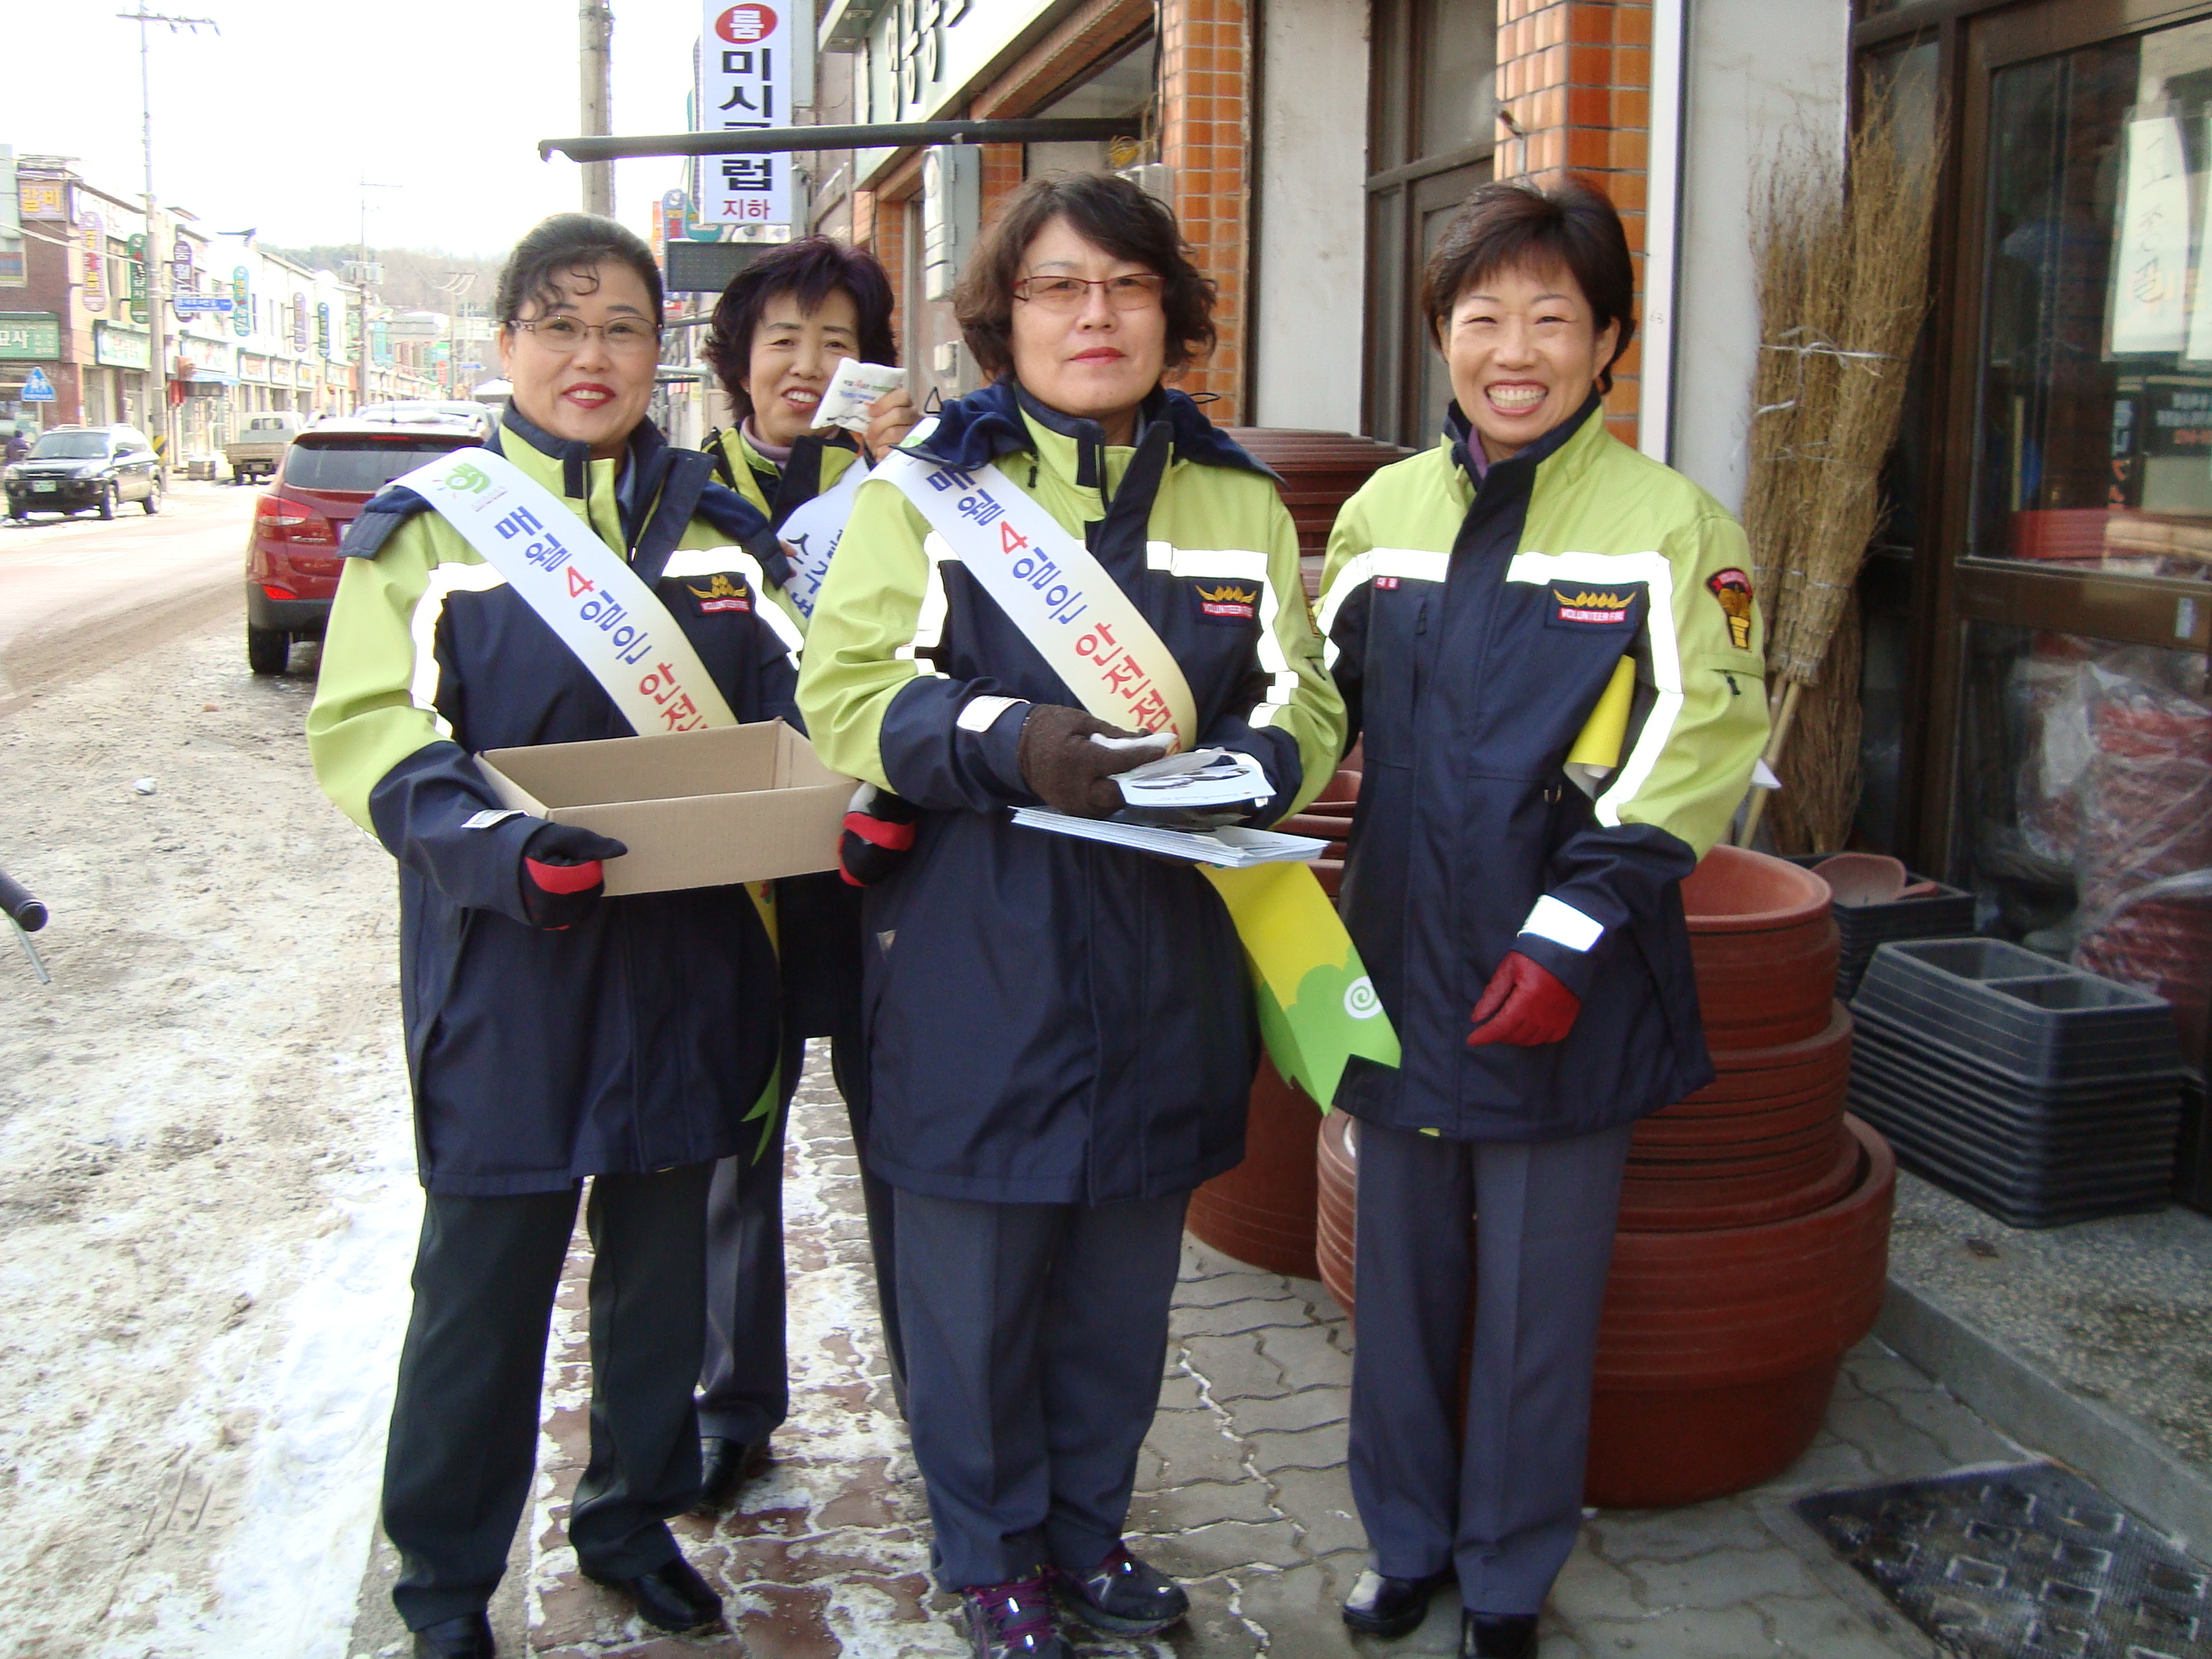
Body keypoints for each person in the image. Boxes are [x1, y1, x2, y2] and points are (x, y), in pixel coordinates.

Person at [796, 172, 1344, 1658]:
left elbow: (1304, 689)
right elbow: (846, 693)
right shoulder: (927, 491)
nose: (1093, 315)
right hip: (978, 951)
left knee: (1119, 1291)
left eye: (1125, 284)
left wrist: (1270, 762)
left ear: (1170, 310)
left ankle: (1090, 1535)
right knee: (974, 1297)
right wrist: (1014, 740)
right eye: (1056, 287)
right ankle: (990, 1559)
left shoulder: (1237, 498)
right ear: (1003, 319)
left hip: (1167, 952)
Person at [306, 212, 797, 1659]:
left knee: (661, 1282)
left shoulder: (719, 533)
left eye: (622, 327)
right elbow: (369, 730)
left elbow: (802, 705)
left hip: (692, 957)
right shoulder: (431, 530)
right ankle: (445, 1581)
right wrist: (502, 849)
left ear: (660, 351)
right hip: (508, 961)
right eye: (561, 325)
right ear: (508, 344)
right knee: (483, 1288)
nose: (593, 356)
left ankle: (630, 1521)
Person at [1315, 178, 1769, 1659]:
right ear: (1440, 333)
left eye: (1554, 319)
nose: (1515, 351)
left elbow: (1705, 739)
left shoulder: (1670, 526)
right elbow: (1315, 703)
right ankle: (1403, 1544)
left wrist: (1573, 931)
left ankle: (1508, 1575)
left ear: (1610, 341)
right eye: (1482, 316)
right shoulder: (1381, 514)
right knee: (1401, 1287)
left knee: (1536, 1302)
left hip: (1569, 972)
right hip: (1398, 960)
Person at [690, 234, 921, 1510]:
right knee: (737, 1141)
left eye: (838, 342)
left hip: (890, 868)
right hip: (748, 883)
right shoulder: (683, 498)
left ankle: (940, 1398)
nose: (808, 365)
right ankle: (732, 1408)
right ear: (737, 362)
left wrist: (917, 467)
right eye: (782, 340)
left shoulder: (923, 483)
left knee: (912, 1143)